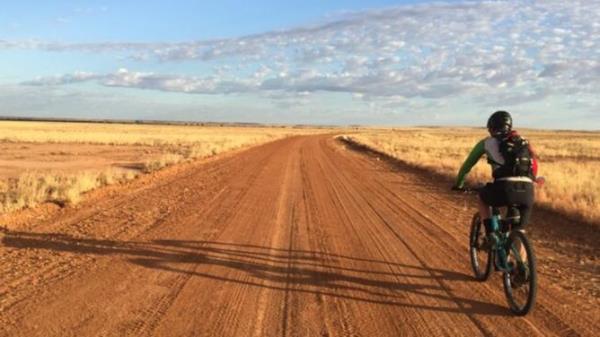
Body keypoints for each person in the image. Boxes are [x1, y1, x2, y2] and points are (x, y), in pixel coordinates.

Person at [452, 110, 538, 247]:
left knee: (482, 198)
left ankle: (490, 233)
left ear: (491, 128)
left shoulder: (487, 143)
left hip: (504, 188)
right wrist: (532, 181)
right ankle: (521, 266)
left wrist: (459, 184)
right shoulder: (523, 142)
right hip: (528, 191)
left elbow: (467, 165)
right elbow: (534, 164)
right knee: (518, 231)